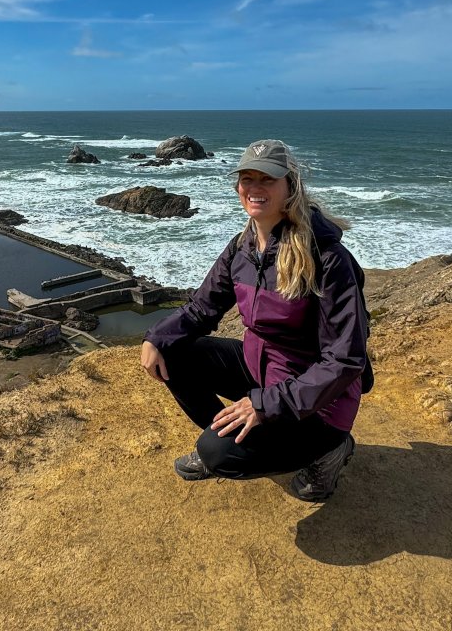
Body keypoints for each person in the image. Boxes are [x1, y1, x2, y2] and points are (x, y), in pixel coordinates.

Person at [140, 139, 372, 501]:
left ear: (290, 188)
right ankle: (233, 436)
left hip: (319, 404)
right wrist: (156, 338)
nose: (255, 188)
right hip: (261, 372)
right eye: (247, 179)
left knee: (219, 455)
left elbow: (344, 361)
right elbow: (202, 307)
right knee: (173, 352)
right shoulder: (243, 247)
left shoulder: (327, 259)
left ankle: (328, 452)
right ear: (238, 187)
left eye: (267, 179)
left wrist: (265, 405)